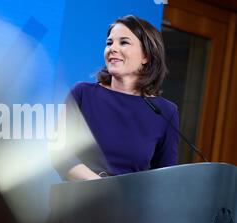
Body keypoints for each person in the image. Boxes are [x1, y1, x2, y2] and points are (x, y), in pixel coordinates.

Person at [51, 15, 179, 181]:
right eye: (109, 43)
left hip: (129, 206)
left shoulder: (166, 112)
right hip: (78, 201)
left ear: (146, 56)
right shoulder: (82, 94)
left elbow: (166, 177)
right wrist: (102, 186)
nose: (112, 48)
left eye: (123, 42)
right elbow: (59, 151)